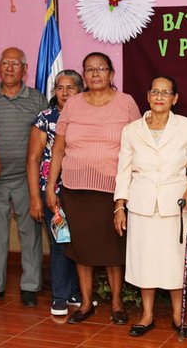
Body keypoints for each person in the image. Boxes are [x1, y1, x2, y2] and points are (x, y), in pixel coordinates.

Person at [46, 52, 141, 325]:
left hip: (113, 190)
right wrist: (52, 187)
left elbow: (137, 144)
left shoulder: (126, 103)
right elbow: (59, 148)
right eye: (89, 69)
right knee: (81, 249)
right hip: (75, 189)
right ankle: (86, 303)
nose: (95, 73)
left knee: (113, 250)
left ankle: (116, 303)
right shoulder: (73, 104)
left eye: (101, 68)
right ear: (84, 76)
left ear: (112, 74)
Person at [113, 76, 187, 338]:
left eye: (166, 93)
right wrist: (119, 206)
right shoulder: (131, 130)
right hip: (142, 205)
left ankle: (179, 316)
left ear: (174, 99)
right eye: (155, 91)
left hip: (176, 206)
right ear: (147, 96)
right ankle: (146, 315)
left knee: (176, 262)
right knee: (145, 262)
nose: (159, 96)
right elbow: (123, 171)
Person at [0, 47, 48, 308]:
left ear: (25, 70)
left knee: (31, 235)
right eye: (5, 63)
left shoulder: (38, 100)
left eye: (15, 64)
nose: (9, 68)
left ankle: (30, 286)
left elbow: (45, 139)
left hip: (27, 179)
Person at [26, 70, 85, 316]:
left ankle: (74, 292)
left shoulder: (88, 116)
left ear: (80, 90)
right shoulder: (46, 118)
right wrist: (35, 197)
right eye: (60, 88)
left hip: (82, 189)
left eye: (70, 87)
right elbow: (32, 158)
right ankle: (59, 296)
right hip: (53, 192)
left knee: (79, 242)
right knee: (61, 242)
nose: (64, 92)